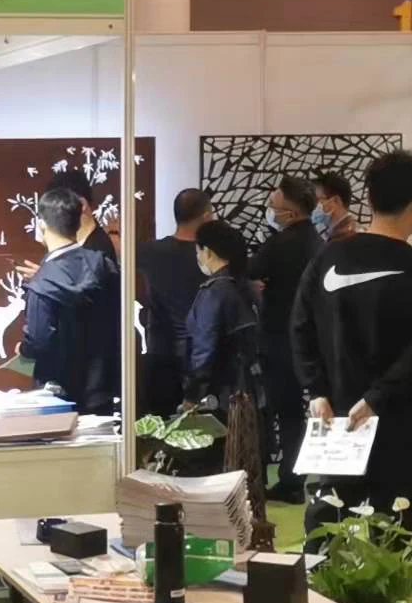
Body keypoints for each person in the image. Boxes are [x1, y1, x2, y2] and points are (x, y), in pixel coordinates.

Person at [290, 150, 412, 542]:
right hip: (404, 421)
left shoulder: (327, 258)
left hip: (336, 416)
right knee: (397, 536)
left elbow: (300, 329)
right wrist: (376, 399)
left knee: (325, 530)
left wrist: (317, 391)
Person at [250, 176, 324, 505]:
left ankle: (290, 479)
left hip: (279, 340)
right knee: (299, 411)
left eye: (273, 206)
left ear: (290, 213)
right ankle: (296, 476)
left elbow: (251, 270)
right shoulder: (317, 243)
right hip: (309, 340)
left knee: (286, 413)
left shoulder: (281, 244)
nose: (269, 211)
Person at [19, 186, 122, 416]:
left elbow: (39, 341)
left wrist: (23, 350)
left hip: (57, 396)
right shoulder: (104, 265)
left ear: (41, 224)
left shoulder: (42, 282)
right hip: (102, 388)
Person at [136, 189, 212, 416]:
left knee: (161, 426)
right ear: (206, 216)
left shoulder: (149, 252)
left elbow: (117, 251)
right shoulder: (211, 258)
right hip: (201, 356)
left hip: (160, 351)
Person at [184, 220, 260, 413]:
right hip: (251, 388)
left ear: (208, 252)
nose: (198, 257)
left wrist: (193, 394)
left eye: (198, 251)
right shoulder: (247, 287)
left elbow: (204, 348)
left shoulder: (214, 292)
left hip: (220, 394)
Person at [313, 170, 361, 242]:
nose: (313, 205)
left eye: (317, 200)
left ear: (336, 200)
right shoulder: (328, 233)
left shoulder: (352, 236)